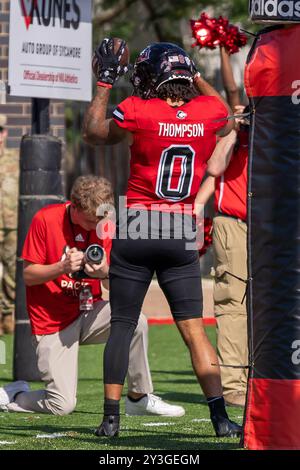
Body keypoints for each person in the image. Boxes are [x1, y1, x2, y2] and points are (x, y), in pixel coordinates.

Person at [83, 38, 242, 438]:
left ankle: (110, 419)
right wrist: (195, 73)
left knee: (121, 324)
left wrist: (104, 82)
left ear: (152, 78)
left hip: (139, 222)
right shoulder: (209, 112)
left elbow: (94, 133)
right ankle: (220, 419)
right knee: (193, 330)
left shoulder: (139, 109)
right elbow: (224, 114)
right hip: (179, 228)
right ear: (186, 76)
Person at [0, 175, 184, 418]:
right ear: (73, 207)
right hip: (52, 323)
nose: (95, 225)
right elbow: (29, 276)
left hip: (89, 311)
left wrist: (105, 272)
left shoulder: (103, 225)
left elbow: (110, 285)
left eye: (100, 218)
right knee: (62, 405)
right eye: (90, 220)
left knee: (135, 321)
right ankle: (14, 395)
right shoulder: (45, 218)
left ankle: (138, 398)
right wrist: (62, 267)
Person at [195, 46, 249, 407]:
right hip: (234, 222)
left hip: (277, 226)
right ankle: (234, 385)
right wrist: (233, 131)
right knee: (233, 302)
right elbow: (214, 169)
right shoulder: (236, 129)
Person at [0, 114, 19, 335]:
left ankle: (7, 315)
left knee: (12, 273)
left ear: (4, 133)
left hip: (12, 226)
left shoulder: (16, 159)